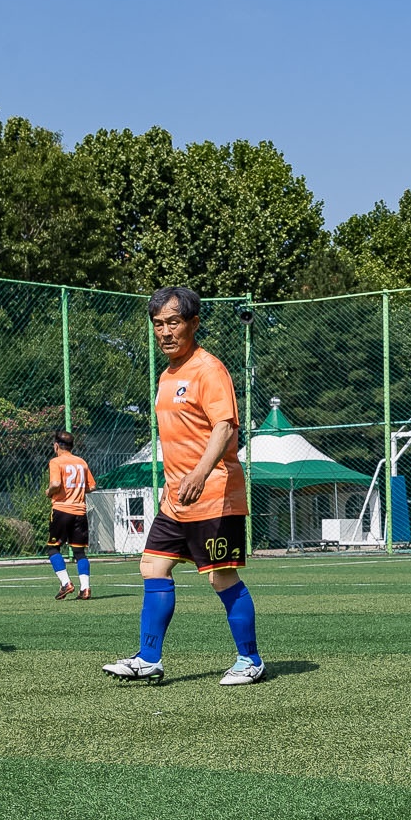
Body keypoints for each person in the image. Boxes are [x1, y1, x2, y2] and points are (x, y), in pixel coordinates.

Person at [103, 287, 264, 687]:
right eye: (158, 324)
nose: (165, 332)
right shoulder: (166, 375)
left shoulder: (209, 370)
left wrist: (199, 473)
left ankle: (250, 660)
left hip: (214, 494)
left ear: (193, 323)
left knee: (220, 577)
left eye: (173, 322)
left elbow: (225, 427)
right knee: (153, 566)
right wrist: (172, 483)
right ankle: (148, 658)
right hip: (176, 499)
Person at [47, 429, 95, 599]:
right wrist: (78, 490)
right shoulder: (81, 462)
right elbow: (92, 486)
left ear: (56, 446)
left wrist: (49, 491)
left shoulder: (56, 461)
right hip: (80, 512)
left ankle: (66, 583)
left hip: (61, 510)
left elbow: (55, 483)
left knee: (53, 548)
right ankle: (86, 589)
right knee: (79, 552)